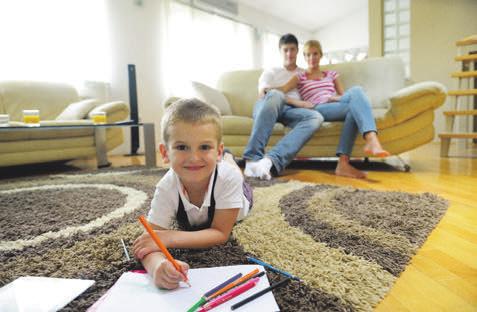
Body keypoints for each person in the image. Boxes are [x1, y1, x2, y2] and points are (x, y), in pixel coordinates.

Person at [133, 98, 253, 289]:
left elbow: (220, 233)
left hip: (238, 194)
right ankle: (225, 158)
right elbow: (149, 241)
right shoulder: (166, 187)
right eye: (182, 147)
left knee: (235, 173)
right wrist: (158, 267)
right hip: (217, 171)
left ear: (217, 150)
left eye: (204, 147)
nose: (194, 158)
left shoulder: (228, 180)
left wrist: (169, 237)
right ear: (164, 152)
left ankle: (229, 160)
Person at [269, 40, 390, 179]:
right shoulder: (300, 77)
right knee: (357, 91)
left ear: (320, 55)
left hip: (335, 103)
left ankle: (343, 164)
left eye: (315, 54)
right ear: (305, 57)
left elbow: (345, 96)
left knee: (355, 98)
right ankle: (372, 138)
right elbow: (283, 90)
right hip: (318, 108)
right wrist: (266, 89)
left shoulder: (331, 74)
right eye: (308, 55)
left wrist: (335, 98)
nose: (311, 58)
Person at [242, 33, 324, 180]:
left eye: (292, 49)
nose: (289, 53)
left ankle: (270, 162)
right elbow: (263, 94)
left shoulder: (303, 74)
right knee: (276, 95)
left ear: (298, 51)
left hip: (290, 112)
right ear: (280, 51)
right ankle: (252, 160)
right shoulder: (271, 71)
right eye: (285, 50)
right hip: (268, 106)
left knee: (316, 117)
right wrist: (295, 101)